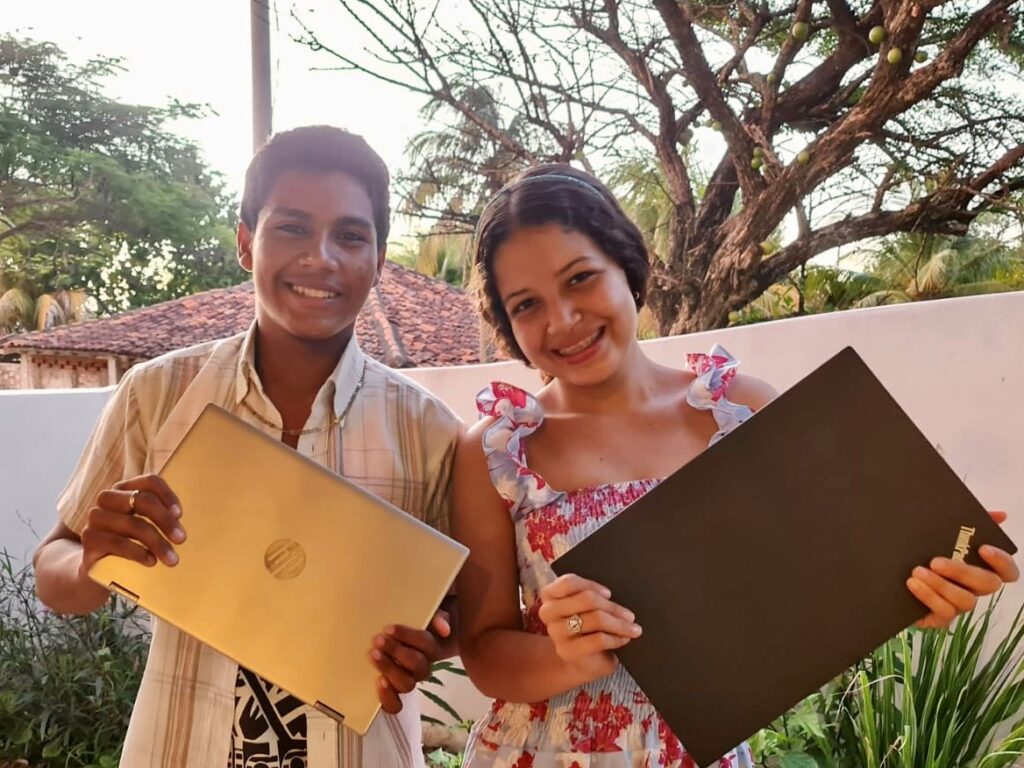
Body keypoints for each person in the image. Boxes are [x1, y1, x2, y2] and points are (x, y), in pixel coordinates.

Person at [452, 164, 1020, 767]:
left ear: (627, 265)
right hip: (537, 753)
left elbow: (816, 580)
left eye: (581, 278)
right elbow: (484, 650)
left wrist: (914, 587)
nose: (561, 319)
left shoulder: (737, 412)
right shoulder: (496, 450)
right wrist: (561, 657)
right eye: (527, 304)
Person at [32, 125, 461, 768]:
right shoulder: (158, 394)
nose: (322, 257)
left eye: (350, 235)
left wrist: (430, 644)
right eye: (291, 228)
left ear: (376, 258)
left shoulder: (427, 429)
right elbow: (54, 573)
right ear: (244, 242)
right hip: (179, 747)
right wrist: (94, 555)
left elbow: (457, 612)